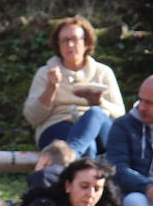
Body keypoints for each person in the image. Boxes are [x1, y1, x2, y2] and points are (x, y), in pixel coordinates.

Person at [22, 16, 123, 156]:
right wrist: (50, 89)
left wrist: (100, 103)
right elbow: (33, 118)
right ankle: (76, 159)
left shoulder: (103, 72)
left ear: (87, 42)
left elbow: (120, 116)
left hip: (100, 130)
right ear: (57, 45)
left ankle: (70, 157)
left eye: (75, 39)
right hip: (58, 127)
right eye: (64, 40)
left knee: (95, 113)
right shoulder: (45, 73)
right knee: (88, 147)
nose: (69, 45)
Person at [105, 75, 153, 206]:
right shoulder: (123, 125)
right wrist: (147, 187)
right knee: (134, 201)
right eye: (141, 100)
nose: (141, 107)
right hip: (139, 195)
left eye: (149, 103)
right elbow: (117, 168)